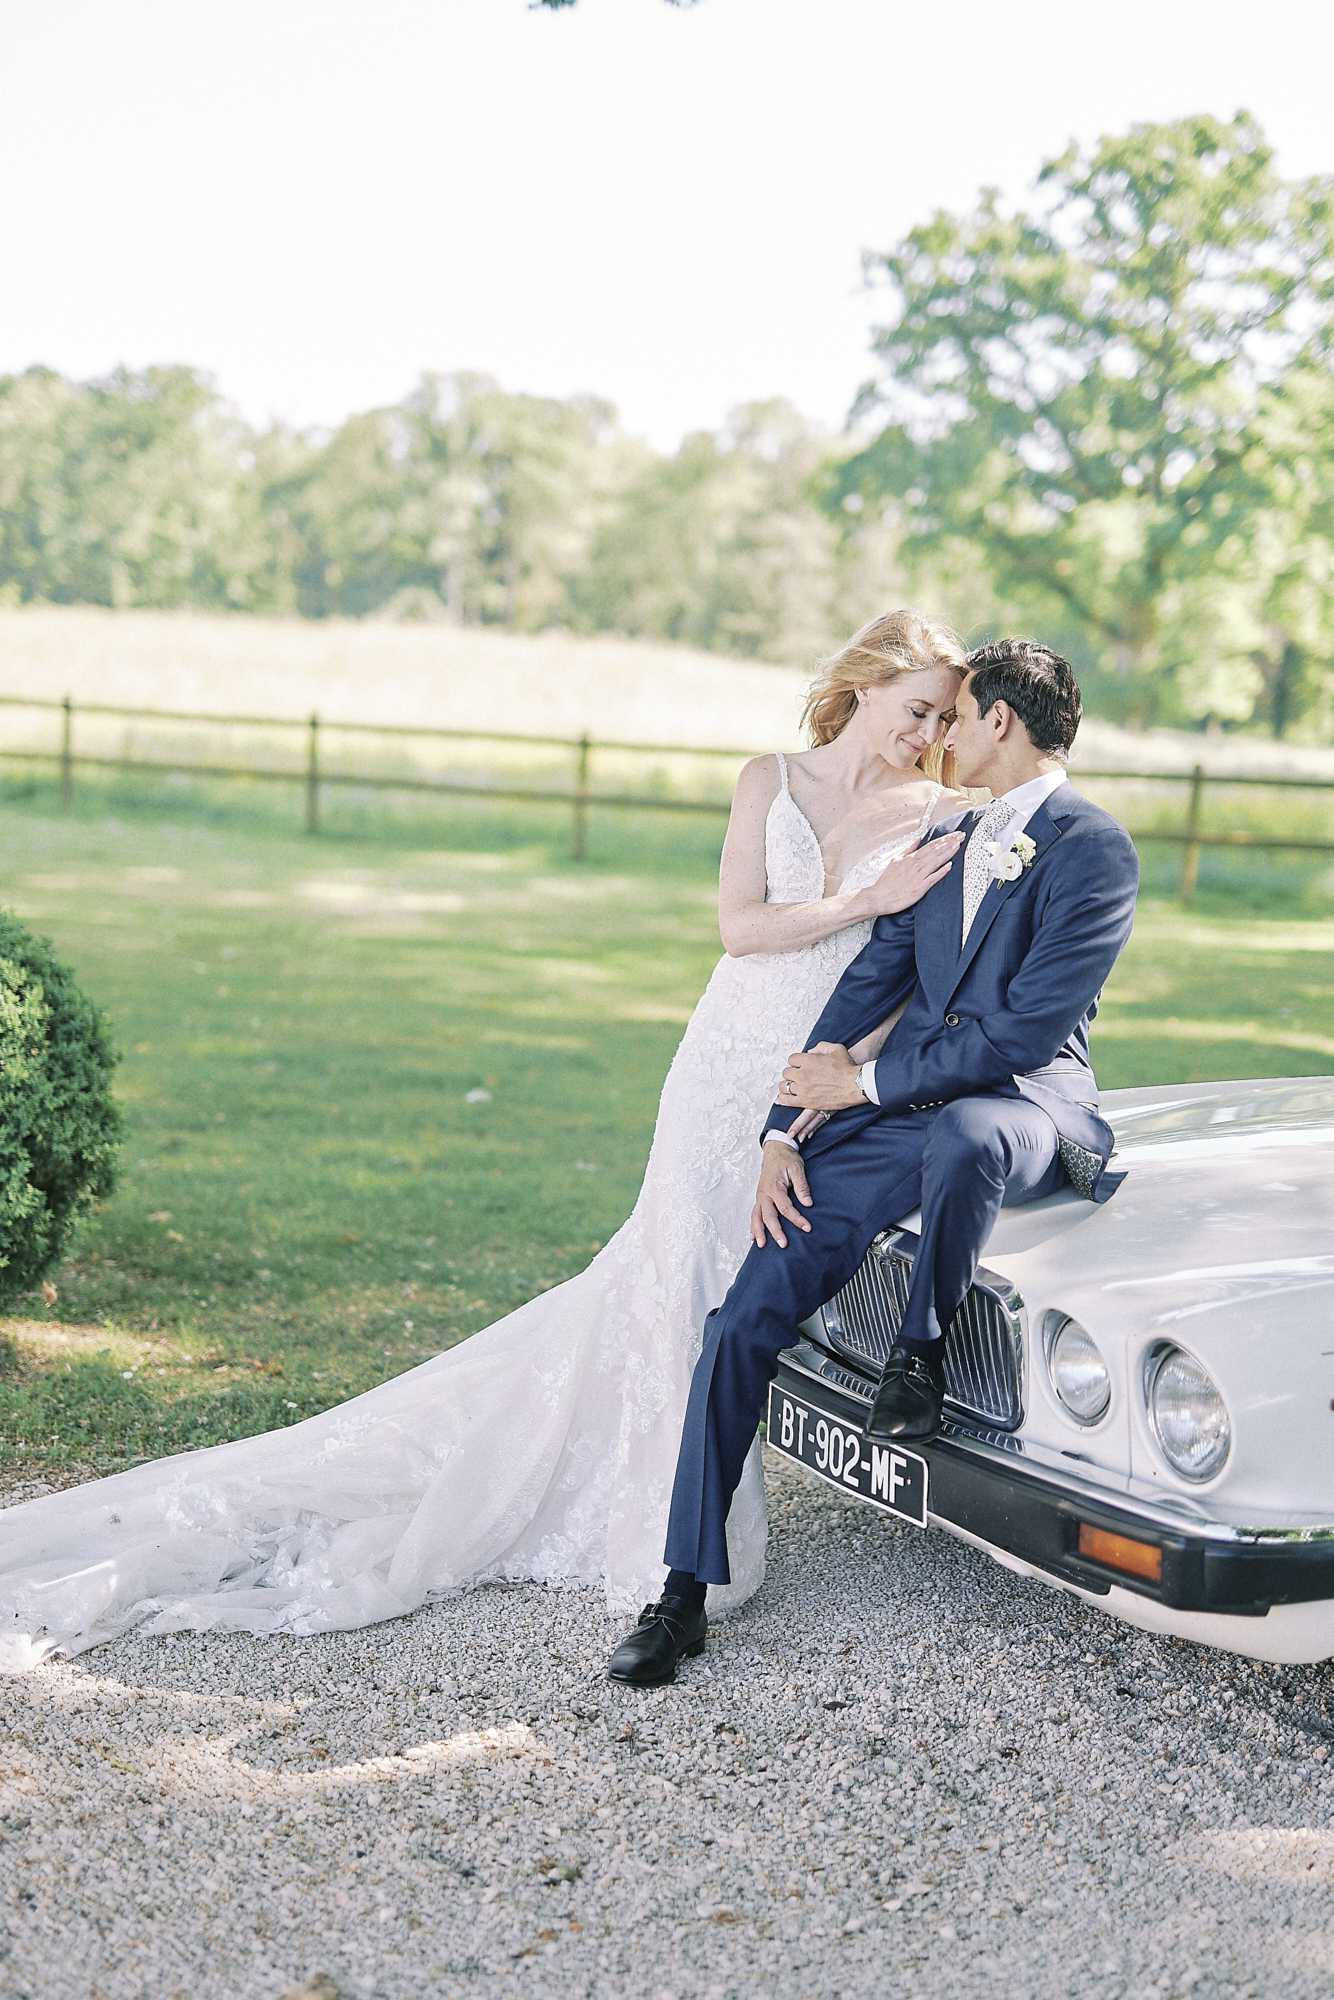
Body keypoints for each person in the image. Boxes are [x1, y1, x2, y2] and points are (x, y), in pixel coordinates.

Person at [0, 610, 968, 1673]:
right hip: (719, 1050)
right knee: (672, 1266)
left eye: (940, 718)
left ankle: (675, 1540)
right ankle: (666, 1540)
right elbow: (738, 926)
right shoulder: (764, 778)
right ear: (865, 684)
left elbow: (905, 974)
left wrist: (824, 1086)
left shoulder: (939, 815)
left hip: (806, 1066)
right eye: (914, 708)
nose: (923, 733)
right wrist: (859, 897)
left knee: (723, 1283)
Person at [608, 640, 1140, 1689]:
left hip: (1020, 1107)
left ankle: (920, 1356)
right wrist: (779, 1125)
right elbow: (868, 985)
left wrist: (865, 1085)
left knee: (966, 1132)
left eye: (956, 718)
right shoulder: (949, 832)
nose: (939, 738)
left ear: (996, 721)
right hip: (894, 1111)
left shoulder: (1093, 849)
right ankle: (679, 1593)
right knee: (740, 1313)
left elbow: (1020, 1038)